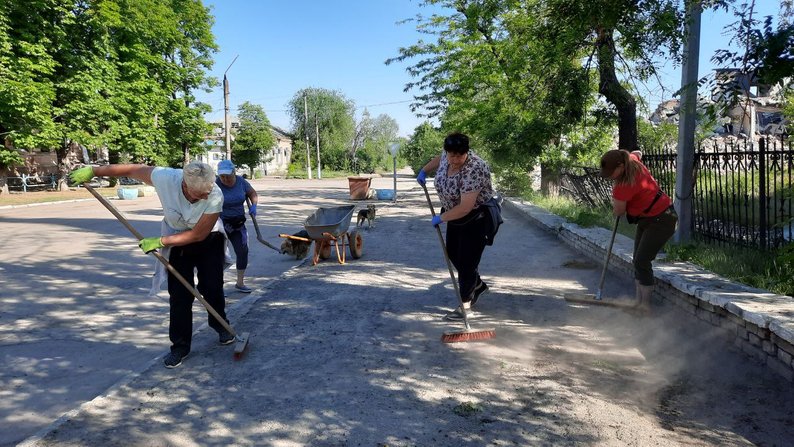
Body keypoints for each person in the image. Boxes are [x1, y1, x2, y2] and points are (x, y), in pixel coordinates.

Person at [69, 162, 233, 368]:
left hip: (209, 239)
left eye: (206, 192)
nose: (204, 197)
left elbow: (198, 234)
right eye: (199, 194)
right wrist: (94, 171)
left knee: (212, 286)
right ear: (185, 185)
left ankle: (219, 323)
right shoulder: (166, 178)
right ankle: (180, 346)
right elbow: (131, 169)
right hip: (176, 236)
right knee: (180, 294)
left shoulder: (215, 194)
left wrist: (160, 242)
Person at [416, 132, 496, 321]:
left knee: (467, 262)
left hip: (476, 217)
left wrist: (441, 218)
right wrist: (424, 170)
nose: (455, 159)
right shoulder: (447, 155)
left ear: (466, 152)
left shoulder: (474, 168)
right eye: (452, 155)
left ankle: (465, 306)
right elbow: (439, 159)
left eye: (460, 155)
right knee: (452, 252)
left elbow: (466, 206)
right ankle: (477, 285)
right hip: (454, 215)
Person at [599, 149, 678, 314]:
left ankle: (645, 306)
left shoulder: (623, 186)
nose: (610, 177)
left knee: (642, 260)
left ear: (621, 167)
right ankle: (637, 303)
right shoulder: (631, 161)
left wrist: (617, 198)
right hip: (648, 218)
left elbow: (619, 211)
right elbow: (637, 152)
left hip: (662, 220)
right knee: (638, 260)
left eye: (612, 173)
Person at [215, 159, 258, 293]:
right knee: (218, 256)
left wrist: (254, 205)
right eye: (222, 176)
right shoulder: (215, 185)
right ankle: (217, 288)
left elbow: (252, 193)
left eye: (228, 175)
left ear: (234, 172)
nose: (225, 179)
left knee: (243, 251)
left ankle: (239, 282)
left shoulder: (241, 182)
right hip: (220, 224)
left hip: (238, 224)